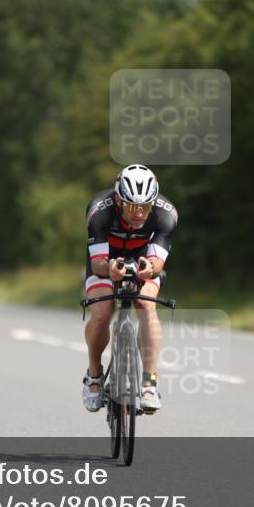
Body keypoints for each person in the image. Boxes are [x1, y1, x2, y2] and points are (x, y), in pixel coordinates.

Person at [82, 164, 177, 414]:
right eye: (132, 206)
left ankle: (149, 382)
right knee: (102, 313)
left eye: (145, 207)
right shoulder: (99, 211)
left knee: (146, 304)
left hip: (143, 258)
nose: (139, 213)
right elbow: (98, 263)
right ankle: (94, 375)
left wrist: (151, 269)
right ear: (118, 199)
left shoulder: (166, 215)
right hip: (106, 259)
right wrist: (110, 268)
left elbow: (157, 262)